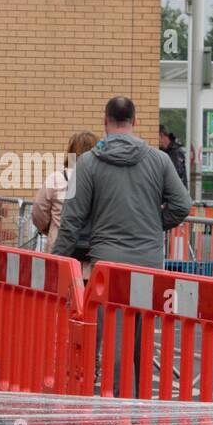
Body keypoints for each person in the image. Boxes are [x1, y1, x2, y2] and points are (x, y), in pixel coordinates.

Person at [53, 97, 192, 396]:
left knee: (115, 337)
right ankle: (139, 405)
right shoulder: (159, 160)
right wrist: (154, 224)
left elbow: (71, 220)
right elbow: (182, 205)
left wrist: (56, 263)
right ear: (135, 121)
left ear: (105, 121)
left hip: (108, 263)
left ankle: (115, 408)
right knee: (142, 337)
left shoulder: (88, 163)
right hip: (149, 261)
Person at [31, 131, 98, 264]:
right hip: (93, 252)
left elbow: (38, 213)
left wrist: (50, 228)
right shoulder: (102, 181)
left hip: (60, 250)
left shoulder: (56, 179)